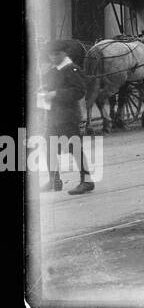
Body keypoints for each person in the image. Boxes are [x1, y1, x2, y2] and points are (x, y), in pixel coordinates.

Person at [38, 42, 95, 195]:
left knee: (74, 149)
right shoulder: (56, 70)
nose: (53, 57)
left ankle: (87, 181)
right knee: (49, 147)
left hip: (68, 117)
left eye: (56, 54)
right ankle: (54, 180)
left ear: (64, 53)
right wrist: (44, 91)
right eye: (51, 54)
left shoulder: (71, 69)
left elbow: (79, 91)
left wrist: (56, 94)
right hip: (54, 117)